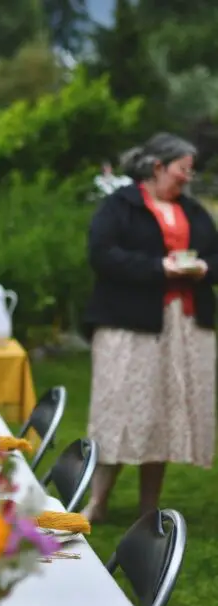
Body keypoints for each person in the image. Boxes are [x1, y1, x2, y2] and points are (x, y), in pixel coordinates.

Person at [82, 133, 217, 522]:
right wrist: (160, 267)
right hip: (128, 324)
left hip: (185, 326)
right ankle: (97, 501)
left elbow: (216, 255)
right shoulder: (119, 206)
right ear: (157, 167)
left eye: (190, 171)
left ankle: (148, 509)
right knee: (118, 410)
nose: (187, 178)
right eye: (182, 170)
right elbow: (103, 255)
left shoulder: (193, 212)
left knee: (162, 415)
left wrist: (203, 268)